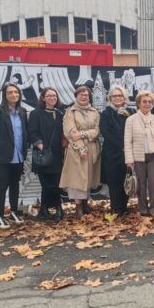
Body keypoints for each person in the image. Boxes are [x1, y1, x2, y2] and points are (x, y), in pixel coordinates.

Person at [0, 82, 28, 229]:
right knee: (2, 185)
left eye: (16, 92)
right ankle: (0, 216)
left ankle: (14, 212)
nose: (14, 95)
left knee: (15, 184)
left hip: (18, 155)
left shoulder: (22, 112)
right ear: (4, 95)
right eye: (10, 92)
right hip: (1, 156)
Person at [59, 86, 101, 218]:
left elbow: (97, 130)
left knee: (88, 177)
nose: (84, 97)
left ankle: (85, 204)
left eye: (87, 95)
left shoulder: (95, 112)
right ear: (76, 96)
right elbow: (70, 132)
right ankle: (78, 208)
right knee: (78, 179)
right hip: (76, 150)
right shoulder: (70, 112)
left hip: (92, 149)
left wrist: (83, 133)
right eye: (81, 95)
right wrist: (81, 147)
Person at [124, 91, 154, 217]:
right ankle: (142, 208)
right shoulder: (131, 120)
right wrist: (129, 160)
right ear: (138, 103)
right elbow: (127, 141)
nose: (147, 104)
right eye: (144, 101)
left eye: (150, 102)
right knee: (140, 184)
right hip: (138, 157)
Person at [28, 87, 64, 221]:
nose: (52, 98)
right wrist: (39, 144)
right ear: (43, 98)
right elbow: (31, 132)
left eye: (54, 96)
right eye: (49, 96)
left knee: (55, 184)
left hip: (57, 154)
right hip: (43, 154)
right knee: (46, 184)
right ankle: (47, 209)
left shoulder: (60, 113)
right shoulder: (36, 113)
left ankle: (55, 209)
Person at [100, 86, 134, 216]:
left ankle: (124, 208)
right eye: (115, 96)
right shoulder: (106, 113)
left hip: (128, 154)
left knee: (126, 181)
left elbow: (134, 131)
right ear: (110, 98)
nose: (118, 98)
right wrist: (122, 145)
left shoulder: (130, 112)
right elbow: (105, 132)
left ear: (124, 97)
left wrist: (128, 147)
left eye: (120, 95)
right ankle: (116, 209)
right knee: (114, 183)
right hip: (112, 153)